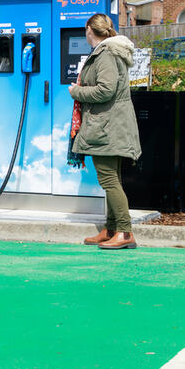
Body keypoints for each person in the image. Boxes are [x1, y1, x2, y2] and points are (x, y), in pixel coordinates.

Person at [69, 13, 142, 249]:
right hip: (111, 124)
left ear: (89, 28)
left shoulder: (106, 53)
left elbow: (106, 90)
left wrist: (76, 91)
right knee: (112, 178)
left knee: (109, 179)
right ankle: (111, 229)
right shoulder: (109, 51)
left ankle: (125, 231)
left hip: (107, 126)